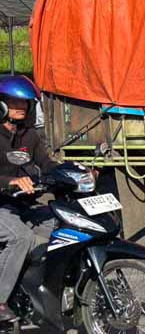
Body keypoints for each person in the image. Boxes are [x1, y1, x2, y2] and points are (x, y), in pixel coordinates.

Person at [0, 75, 60, 321]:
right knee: (20, 237)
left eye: (25, 102)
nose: (21, 107)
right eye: (15, 101)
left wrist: (74, 172)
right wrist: (10, 182)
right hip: (1, 205)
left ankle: (32, 284)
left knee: (60, 225)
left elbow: (46, 163)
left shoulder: (30, 136)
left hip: (23, 204)